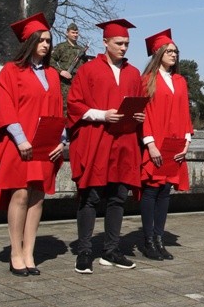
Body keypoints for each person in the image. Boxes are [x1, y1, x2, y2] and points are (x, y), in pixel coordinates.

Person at [0, 12, 65, 276]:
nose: (45, 45)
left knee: (37, 197)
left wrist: (61, 140)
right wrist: (20, 138)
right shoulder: (12, 70)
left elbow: (57, 110)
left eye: (48, 40)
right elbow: (4, 106)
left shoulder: (52, 75)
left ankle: (29, 252)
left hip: (43, 146)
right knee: (19, 194)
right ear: (28, 42)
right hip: (20, 144)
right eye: (40, 40)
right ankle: (15, 253)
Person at [67, 19, 145, 274]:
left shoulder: (134, 73)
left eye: (126, 44)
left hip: (123, 143)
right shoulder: (89, 70)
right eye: (119, 43)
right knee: (91, 196)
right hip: (97, 140)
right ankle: (84, 250)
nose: (123, 48)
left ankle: (111, 250)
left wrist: (139, 116)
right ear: (105, 42)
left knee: (118, 197)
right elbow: (74, 104)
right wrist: (102, 115)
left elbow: (138, 102)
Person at [140, 29, 194, 260]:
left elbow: (185, 112)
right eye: (169, 51)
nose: (174, 54)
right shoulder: (147, 80)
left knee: (165, 192)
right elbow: (144, 113)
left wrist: (187, 141)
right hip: (155, 142)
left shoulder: (180, 81)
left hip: (175, 144)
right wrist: (150, 144)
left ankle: (160, 238)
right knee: (151, 190)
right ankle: (148, 240)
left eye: (176, 51)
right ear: (158, 53)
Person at [51, 22, 88, 111]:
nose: (75, 35)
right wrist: (60, 71)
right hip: (65, 83)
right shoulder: (61, 47)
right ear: (67, 33)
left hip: (77, 83)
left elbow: (85, 66)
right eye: (73, 32)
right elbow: (50, 60)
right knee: (65, 107)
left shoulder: (81, 50)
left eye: (77, 33)